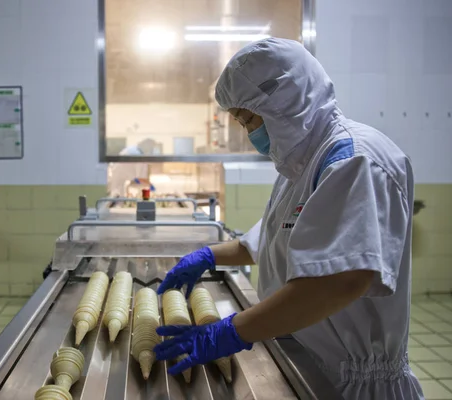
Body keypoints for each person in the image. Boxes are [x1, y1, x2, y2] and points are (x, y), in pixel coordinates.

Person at [155, 38, 423, 399]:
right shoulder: (298, 164)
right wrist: (207, 257)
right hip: (307, 362)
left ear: (284, 102)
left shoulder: (354, 160)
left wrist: (231, 331)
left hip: (357, 383)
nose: (249, 132)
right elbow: (271, 240)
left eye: (249, 118)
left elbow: (343, 280)